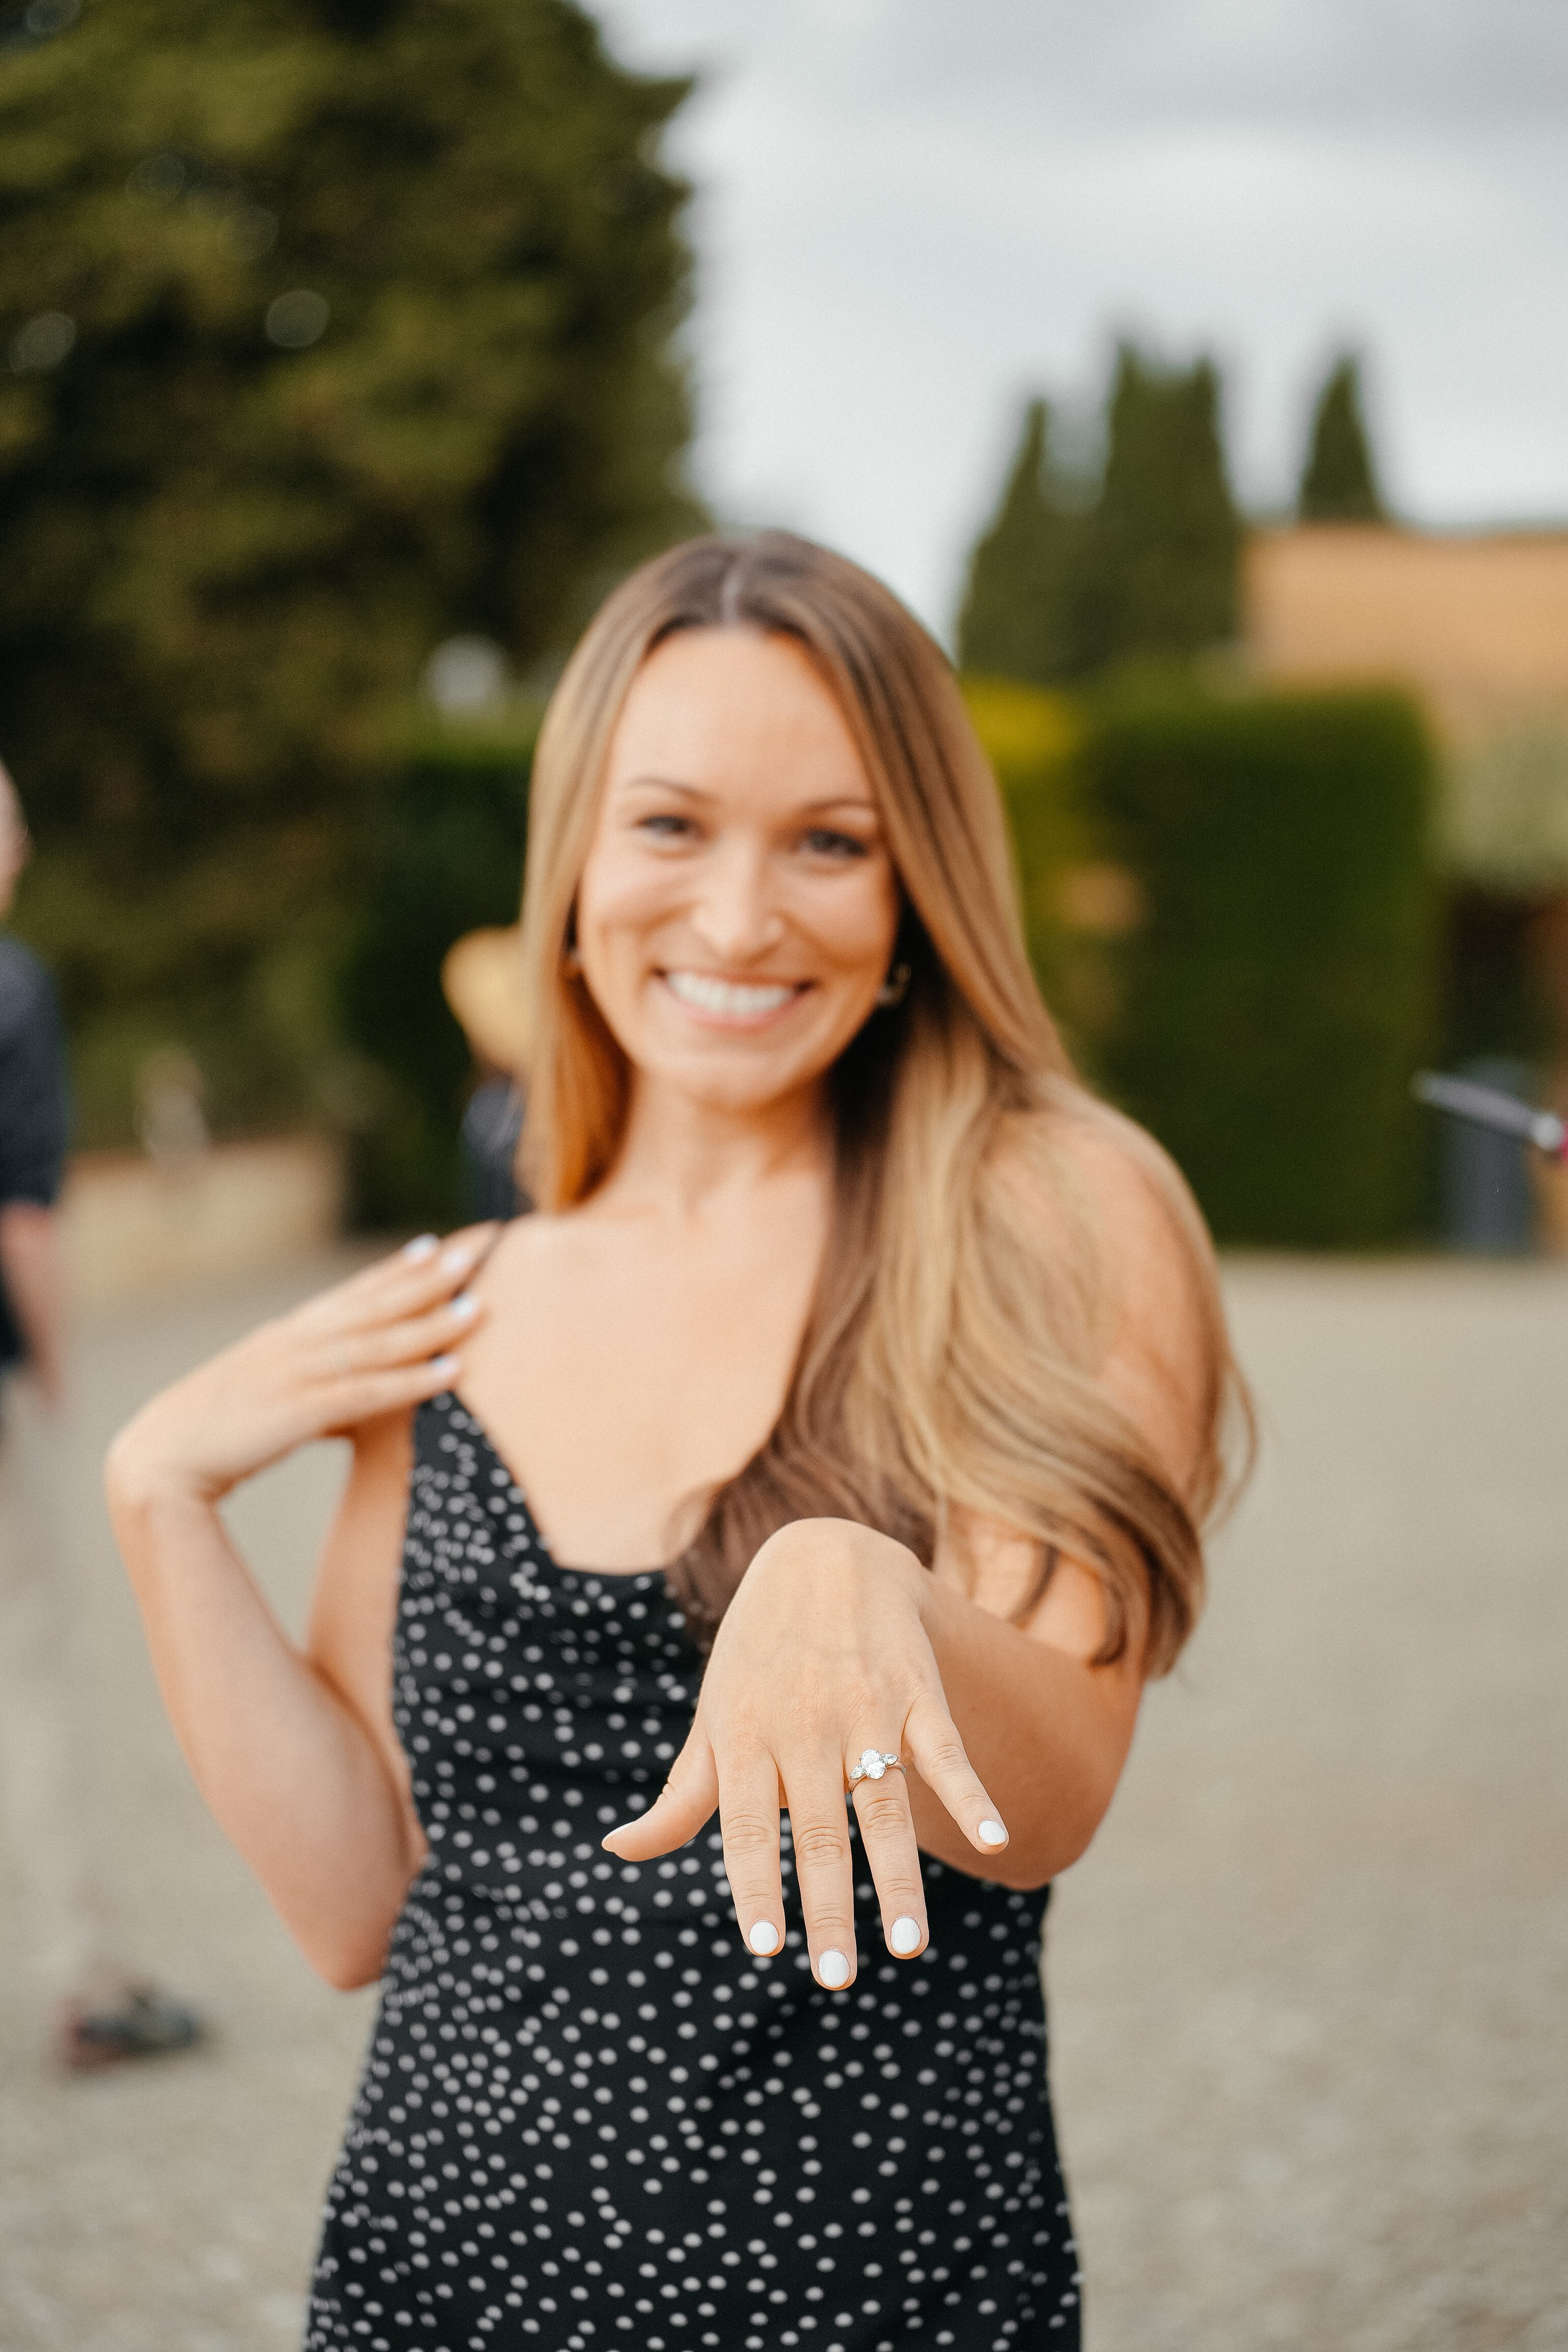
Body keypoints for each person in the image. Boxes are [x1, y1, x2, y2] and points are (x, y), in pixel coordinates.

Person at [106, 533, 1246, 2350]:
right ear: (572, 866)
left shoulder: (1043, 1208)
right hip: (436, 2275)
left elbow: (1049, 1804)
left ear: (915, 891)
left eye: (829, 841)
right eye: (669, 828)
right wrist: (161, 1499)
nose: (736, 920)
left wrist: (858, 1583)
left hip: (868, 2297)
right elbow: (357, 1908)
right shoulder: (455, 1304)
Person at [0, 758, 202, 2068]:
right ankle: (89, 1980)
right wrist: (56, 1373)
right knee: (28, 1673)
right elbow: (23, 1211)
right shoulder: (11, 986)